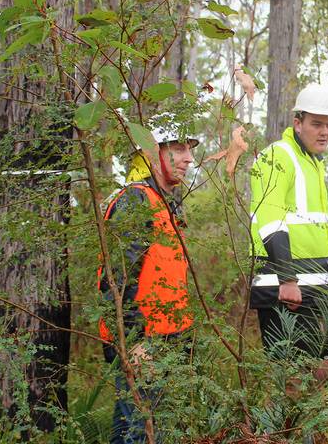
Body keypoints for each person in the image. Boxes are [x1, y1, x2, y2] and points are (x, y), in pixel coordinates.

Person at [97, 121, 198, 444]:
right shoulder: (135, 200)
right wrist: (134, 339)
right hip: (143, 342)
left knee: (133, 430)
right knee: (141, 431)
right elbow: (116, 277)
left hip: (167, 338)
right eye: (178, 149)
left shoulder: (167, 202)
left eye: (190, 150)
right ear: (154, 153)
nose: (188, 159)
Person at [249, 83, 328, 361]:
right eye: (316, 124)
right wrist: (287, 279)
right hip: (289, 294)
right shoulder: (278, 155)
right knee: (293, 382)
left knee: (327, 378)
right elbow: (269, 220)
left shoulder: (314, 163)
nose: (324, 132)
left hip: (318, 293)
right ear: (298, 123)